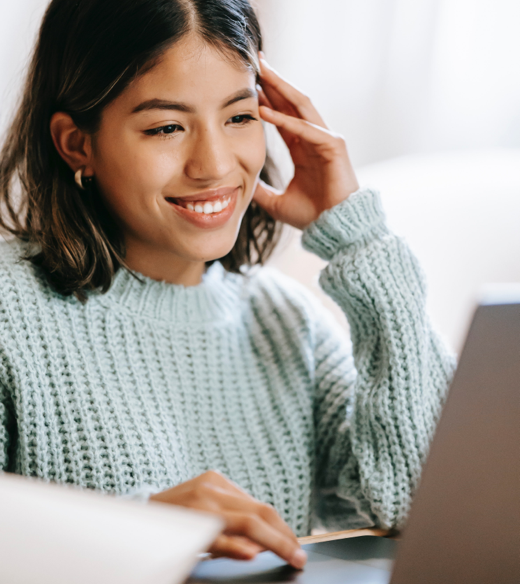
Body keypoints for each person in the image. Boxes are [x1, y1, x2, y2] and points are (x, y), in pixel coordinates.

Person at [0, 0, 455, 570]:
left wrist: (358, 241)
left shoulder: (288, 323)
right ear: (77, 143)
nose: (214, 164)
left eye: (240, 117)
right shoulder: (8, 313)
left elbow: (430, 512)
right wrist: (134, 534)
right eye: (166, 127)